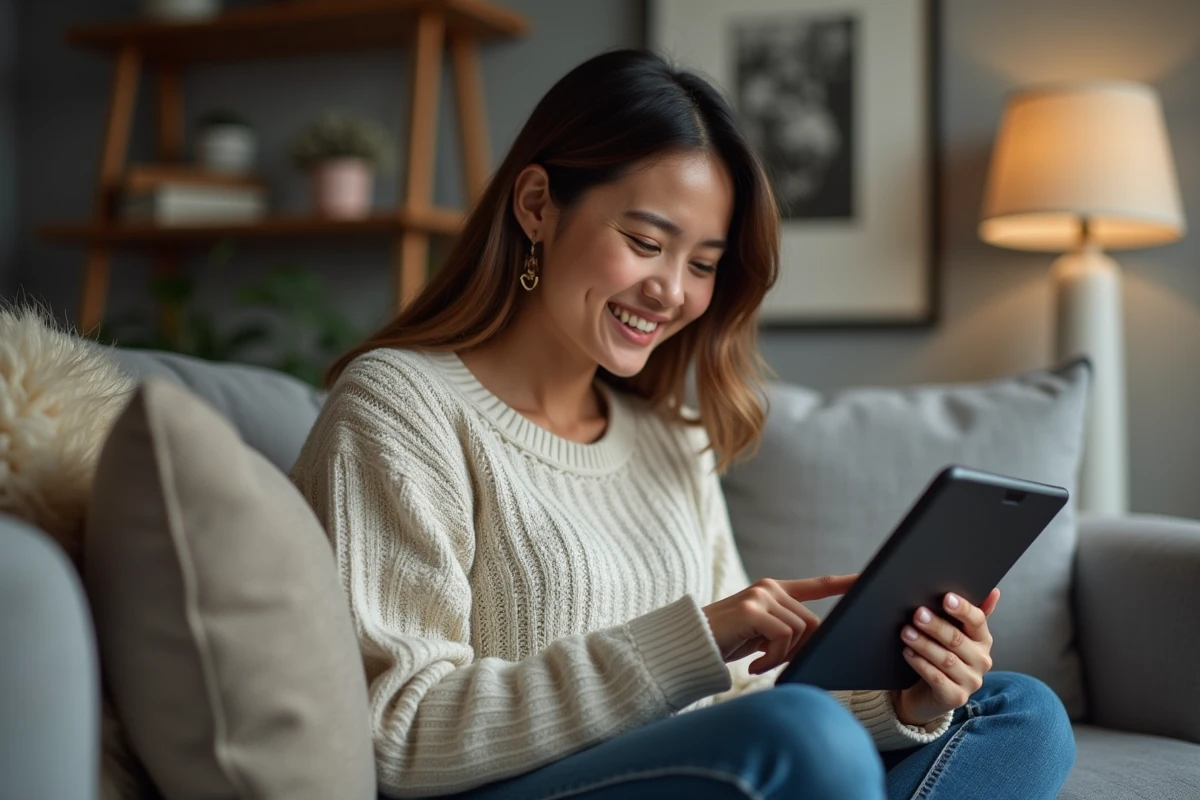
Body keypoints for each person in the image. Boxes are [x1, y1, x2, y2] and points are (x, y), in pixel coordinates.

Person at [289, 48, 1076, 800]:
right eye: (644, 242)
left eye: (702, 264)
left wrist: (906, 702)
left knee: (1021, 714)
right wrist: (690, 640)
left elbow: (739, 699)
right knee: (800, 736)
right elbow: (398, 726)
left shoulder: (672, 438)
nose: (671, 291)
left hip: (703, 775)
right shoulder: (399, 406)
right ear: (536, 205)